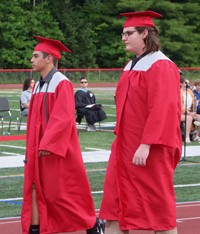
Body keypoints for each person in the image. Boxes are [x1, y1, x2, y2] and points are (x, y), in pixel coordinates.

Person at [99, 10, 182, 234]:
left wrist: (146, 144)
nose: (123, 37)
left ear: (144, 33)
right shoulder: (131, 65)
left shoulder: (161, 65)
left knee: (158, 213)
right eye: (122, 33)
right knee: (113, 210)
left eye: (129, 33)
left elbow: (163, 109)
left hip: (150, 149)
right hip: (124, 149)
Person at [21, 35, 104, 234]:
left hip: (57, 149)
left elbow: (63, 118)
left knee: (62, 193)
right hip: (38, 149)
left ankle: (92, 225)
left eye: (35, 56)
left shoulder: (61, 83)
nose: (31, 60)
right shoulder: (39, 85)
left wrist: (48, 144)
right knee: (33, 188)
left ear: (49, 59)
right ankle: (36, 228)